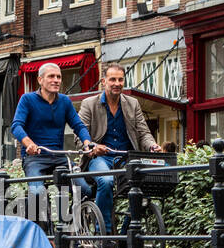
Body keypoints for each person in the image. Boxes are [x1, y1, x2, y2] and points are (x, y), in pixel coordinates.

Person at [78, 64, 163, 234]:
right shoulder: (89, 104)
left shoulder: (132, 104)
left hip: (126, 158)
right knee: (106, 181)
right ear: (104, 82)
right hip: (99, 158)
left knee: (143, 184)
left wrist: (152, 145)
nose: (117, 83)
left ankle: (126, 233)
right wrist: (92, 147)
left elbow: (143, 132)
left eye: (120, 79)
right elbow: (79, 134)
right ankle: (105, 234)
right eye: (112, 79)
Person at [10, 62, 95, 219]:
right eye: (51, 76)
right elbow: (16, 126)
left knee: (85, 190)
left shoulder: (64, 101)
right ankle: (42, 229)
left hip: (58, 157)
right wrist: (29, 144)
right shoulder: (27, 99)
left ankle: (70, 226)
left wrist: (87, 143)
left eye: (59, 77)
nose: (56, 80)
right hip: (35, 158)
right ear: (40, 80)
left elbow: (78, 125)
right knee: (36, 193)